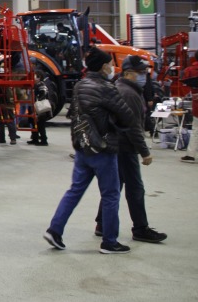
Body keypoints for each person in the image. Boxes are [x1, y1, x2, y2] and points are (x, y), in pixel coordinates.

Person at [44, 47, 136, 254]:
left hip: (83, 147)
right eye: (111, 65)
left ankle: (55, 230)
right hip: (103, 148)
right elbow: (127, 116)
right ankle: (109, 241)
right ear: (104, 67)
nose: (113, 68)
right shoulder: (107, 88)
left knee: (75, 190)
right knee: (111, 194)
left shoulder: (79, 85)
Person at [93, 55, 166, 243]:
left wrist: (148, 124)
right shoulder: (129, 93)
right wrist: (145, 151)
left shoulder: (128, 89)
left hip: (118, 145)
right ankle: (140, 228)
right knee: (135, 188)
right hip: (125, 147)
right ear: (128, 73)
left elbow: (138, 118)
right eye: (140, 72)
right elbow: (133, 126)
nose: (144, 76)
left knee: (115, 186)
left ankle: (102, 223)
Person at [180, 51, 198, 163]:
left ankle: (191, 155)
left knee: (196, 129)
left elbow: (183, 88)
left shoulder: (189, 70)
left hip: (197, 103)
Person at [28, 71, 51, 146]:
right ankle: (35, 138)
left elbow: (43, 95)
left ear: (39, 78)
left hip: (40, 107)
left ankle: (44, 140)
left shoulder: (41, 85)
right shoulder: (34, 85)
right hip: (34, 106)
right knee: (33, 122)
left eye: (35, 77)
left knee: (40, 124)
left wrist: (37, 102)